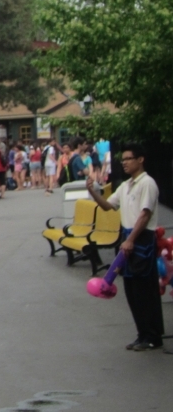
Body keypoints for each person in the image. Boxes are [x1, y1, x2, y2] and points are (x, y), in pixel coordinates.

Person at [84, 146, 165, 352]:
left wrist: (132, 239)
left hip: (141, 237)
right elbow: (107, 206)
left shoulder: (147, 183)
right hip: (128, 236)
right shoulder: (125, 185)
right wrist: (92, 191)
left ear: (141, 159)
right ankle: (142, 333)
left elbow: (145, 214)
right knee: (131, 290)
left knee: (144, 288)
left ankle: (153, 335)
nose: (125, 162)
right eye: (123, 160)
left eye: (129, 159)